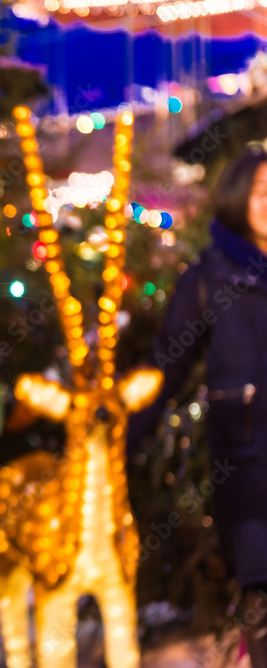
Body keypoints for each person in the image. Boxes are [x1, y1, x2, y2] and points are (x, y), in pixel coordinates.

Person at [127, 145, 267, 667]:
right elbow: (165, 370)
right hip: (250, 471)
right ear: (235, 199)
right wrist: (116, 443)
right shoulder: (211, 275)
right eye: (259, 192)